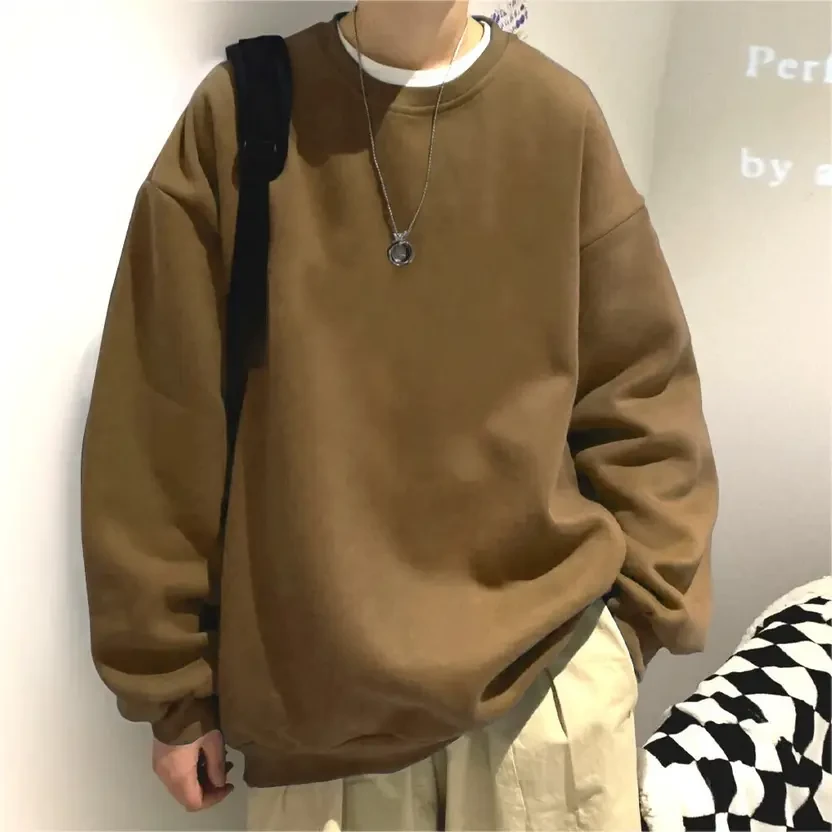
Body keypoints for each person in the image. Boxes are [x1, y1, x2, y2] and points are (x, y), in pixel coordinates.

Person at [80, 1, 719, 829]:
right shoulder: (242, 114)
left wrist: (628, 632)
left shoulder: (556, 118)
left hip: (546, 696)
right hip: (324, 724)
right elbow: (159, 423)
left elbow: (644, 389)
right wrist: (170, 687)